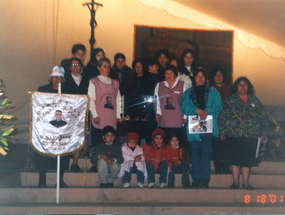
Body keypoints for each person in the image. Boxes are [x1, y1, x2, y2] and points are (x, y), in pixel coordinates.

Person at [218, 77, 269, 190]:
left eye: (245, 84)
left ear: (248, 87)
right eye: (240, 85)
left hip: (250, 135)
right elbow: (222, 117)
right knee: (234, 159)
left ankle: (246, 183)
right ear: (236, 87)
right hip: (234, 135)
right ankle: (235, 182)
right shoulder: (230, 100)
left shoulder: (254, 100)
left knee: (247, 160)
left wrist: (264, 131)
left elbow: (263, 117)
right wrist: (221, 132)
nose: (242, 87)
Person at [181, 68, 222, 188]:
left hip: (208, 125)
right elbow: (184, 106)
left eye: (202, 76)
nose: (200, 78)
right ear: (194, 78)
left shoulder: (213, 91)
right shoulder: (188, 92)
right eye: (198, 76)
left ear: (206, 78)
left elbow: (218, 105)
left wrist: (206, 112)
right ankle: (196, 180)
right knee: (194, 153)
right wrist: (196, 110)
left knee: (206, 153)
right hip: (194, 126)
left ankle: (204, 181)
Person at [35, 65, 69, 188]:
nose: (57, 79)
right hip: (46, 127)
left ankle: (60, 180)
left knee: (63, 152)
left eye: (59, 77)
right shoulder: (43, 89)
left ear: (62, 79)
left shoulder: (67, 92)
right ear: (51, 78)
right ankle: (42, 180)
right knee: (42, 152)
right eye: (55, 77)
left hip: (61, 128)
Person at [88, 57, 122, 149]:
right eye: (104, 66)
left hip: (111, 117)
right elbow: (91, 100)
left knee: (111, 143)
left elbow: (118, 100)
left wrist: (118, 115)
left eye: (108, 67)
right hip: (99, 117)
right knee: (98, 144)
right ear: (99, 68)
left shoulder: (115, 83)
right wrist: (95, 115)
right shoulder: (94, 82)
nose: (106, 69)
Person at [64, 57, 89, 172]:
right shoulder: (64, 80)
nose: (75, 67)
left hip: (82, 114)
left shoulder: (86, 80)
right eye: (73, 65)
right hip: (68, 114)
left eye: (77, 64)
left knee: (80, 138)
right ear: (69, 68)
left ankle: (75, 163)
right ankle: (64, 163)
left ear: (81, 67)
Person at [154, 65, 188, 148]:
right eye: (166, 73)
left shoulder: (182, 84)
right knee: (165, 144)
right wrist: (158, 113)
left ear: (175, 74)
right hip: (164, 119)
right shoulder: (159, 85)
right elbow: (157, 101)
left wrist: (185, 117)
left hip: (178, 119)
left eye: (171, 73)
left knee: (177, 144)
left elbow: (186, 102)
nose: (169, 75)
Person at [210, 66, 232, 174]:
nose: (218, 77)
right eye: (216, 75)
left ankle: (226, 168)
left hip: (227, 122)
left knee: (227, 147)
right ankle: (218, 169)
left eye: (220, 75)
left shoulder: (230, 88)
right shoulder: (210, 89)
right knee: (217, 147)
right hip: (215, 121)